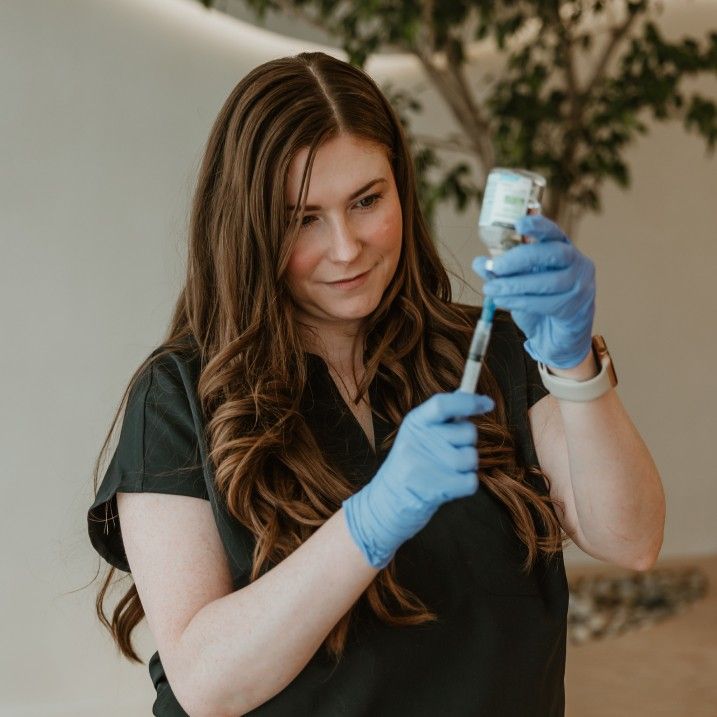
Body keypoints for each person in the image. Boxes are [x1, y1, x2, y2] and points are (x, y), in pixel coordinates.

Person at [87, 51, 665, 716]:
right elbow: (205, 684)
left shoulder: (490, 351)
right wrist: (370, 519)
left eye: (366, 200)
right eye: (303, 217)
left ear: (400, 187)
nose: (346, 246)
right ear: (247, 224)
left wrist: (573, 366)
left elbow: (632, 539)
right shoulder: (179, 397)